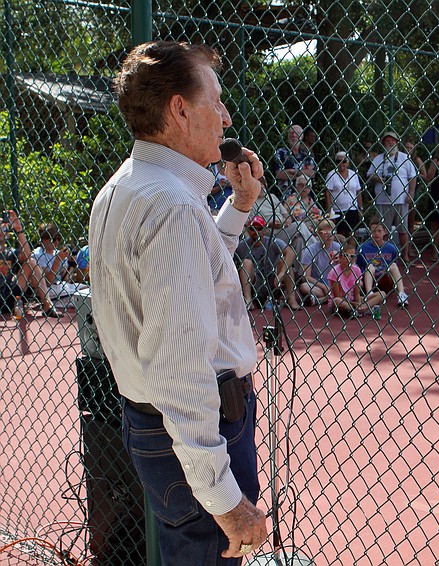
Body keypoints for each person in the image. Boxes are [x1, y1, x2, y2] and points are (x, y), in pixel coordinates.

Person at [87, 41, 267, 564]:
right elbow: (179, 364)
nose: (227, 115)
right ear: (179, 109)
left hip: (158, 431)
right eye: (216, 100)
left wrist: (237, 208)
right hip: (197, 436)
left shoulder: (128, 187)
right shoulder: (171, 207)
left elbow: (197, 278)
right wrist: (224, 499)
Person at [367, 131, 418, 262]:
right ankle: (386, 256)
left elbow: (413, 177)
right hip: (383, 200)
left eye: (392, 140)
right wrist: (378, 178)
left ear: (396, 142)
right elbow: (370, 174)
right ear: (383, 143)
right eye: (387, 140)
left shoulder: (404, 158)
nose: (389, 142)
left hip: (401, 199)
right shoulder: (378, 158)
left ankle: (405, 256)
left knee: (403, 230)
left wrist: (411, 194)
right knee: (385, 230)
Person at [0, 210, 58, 317]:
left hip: (9, 295)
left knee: (31, 262)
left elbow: (27, 256)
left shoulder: (11, 252)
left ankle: (47, 304)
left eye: (2, 228)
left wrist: (19, 229)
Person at [235, 215, 297, 310]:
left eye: (259, 229)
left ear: (264, 230)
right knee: (246, 263)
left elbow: (290, 252)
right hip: (255, 283)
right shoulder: (241, 246)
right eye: (252, 229)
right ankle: (248, 299)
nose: (256, 232)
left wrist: (281, 273)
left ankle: (292, 299)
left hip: (273, 280)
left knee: (284, 261)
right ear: (247, 230)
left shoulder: (272, 241)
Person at [356, 219, 409, 307]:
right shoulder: (362, 248)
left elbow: (394, 267)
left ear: (384, 232)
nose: (376, 233)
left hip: (385, 279)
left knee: (393, 265)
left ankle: (401, 293)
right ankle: (369, 293)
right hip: (369, 279)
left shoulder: (391, 248)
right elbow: (358, 266)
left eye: (379, 231)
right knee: (370, 267)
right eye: (374, 231)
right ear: (370, 232)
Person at [328, 238, 386, 317]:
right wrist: (355, 304)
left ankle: (362, 309)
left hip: (352, 299)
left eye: (352, 256)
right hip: (341, 301)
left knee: (382, 294)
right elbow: (337, 295)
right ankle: (357, 309)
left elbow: (357, 293)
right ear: (341, 257)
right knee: (337, 301)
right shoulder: (334, 271)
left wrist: (358, 303)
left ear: (355, 259)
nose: (349, 258)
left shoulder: (357, 270)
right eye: (346, 255)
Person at [32, 223, 88, 300]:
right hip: (46, 289)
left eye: (59, 239)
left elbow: (66, 279)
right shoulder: (37, 254)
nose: (57, 242)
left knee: (86, 289)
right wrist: (58, 259)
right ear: (43, 239)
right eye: (53, 239)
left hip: (61, 287)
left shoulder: (57, 253)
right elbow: (48, 281)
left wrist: (71, 265)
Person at [298, 218, 340, 307]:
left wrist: (339, 261)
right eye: (325, 233)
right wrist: (323, 286)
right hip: (318, 283)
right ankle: (331, 297)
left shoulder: (338, 247)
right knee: (304, 286)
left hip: (334, 282)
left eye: (332, 233)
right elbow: (306, 276)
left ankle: (321, 299)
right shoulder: (310, 250)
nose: (329, 236)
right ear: (319, 234)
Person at [324, 151, 363, 237]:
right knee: (340, 234)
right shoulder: (331, 175)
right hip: (337, 210)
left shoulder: (354, 174)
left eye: (344, 161)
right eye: (338, 161)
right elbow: (327, 193)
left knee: (352, 234)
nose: (341, 163)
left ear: (348, 162)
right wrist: (329, 212)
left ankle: (352, 250)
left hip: (352, 209)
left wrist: (360, 208)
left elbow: (358, 191)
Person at [271, 124, 316, 197]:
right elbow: (279, 174)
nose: (294, 135)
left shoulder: (307, 154)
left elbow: (312, 173)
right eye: (291, 133)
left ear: (302, 136)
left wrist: (291, 172)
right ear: (288, 136)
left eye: (297, 133)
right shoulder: (280, 153)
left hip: (305, 195)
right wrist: (302, 175)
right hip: (285, 195)